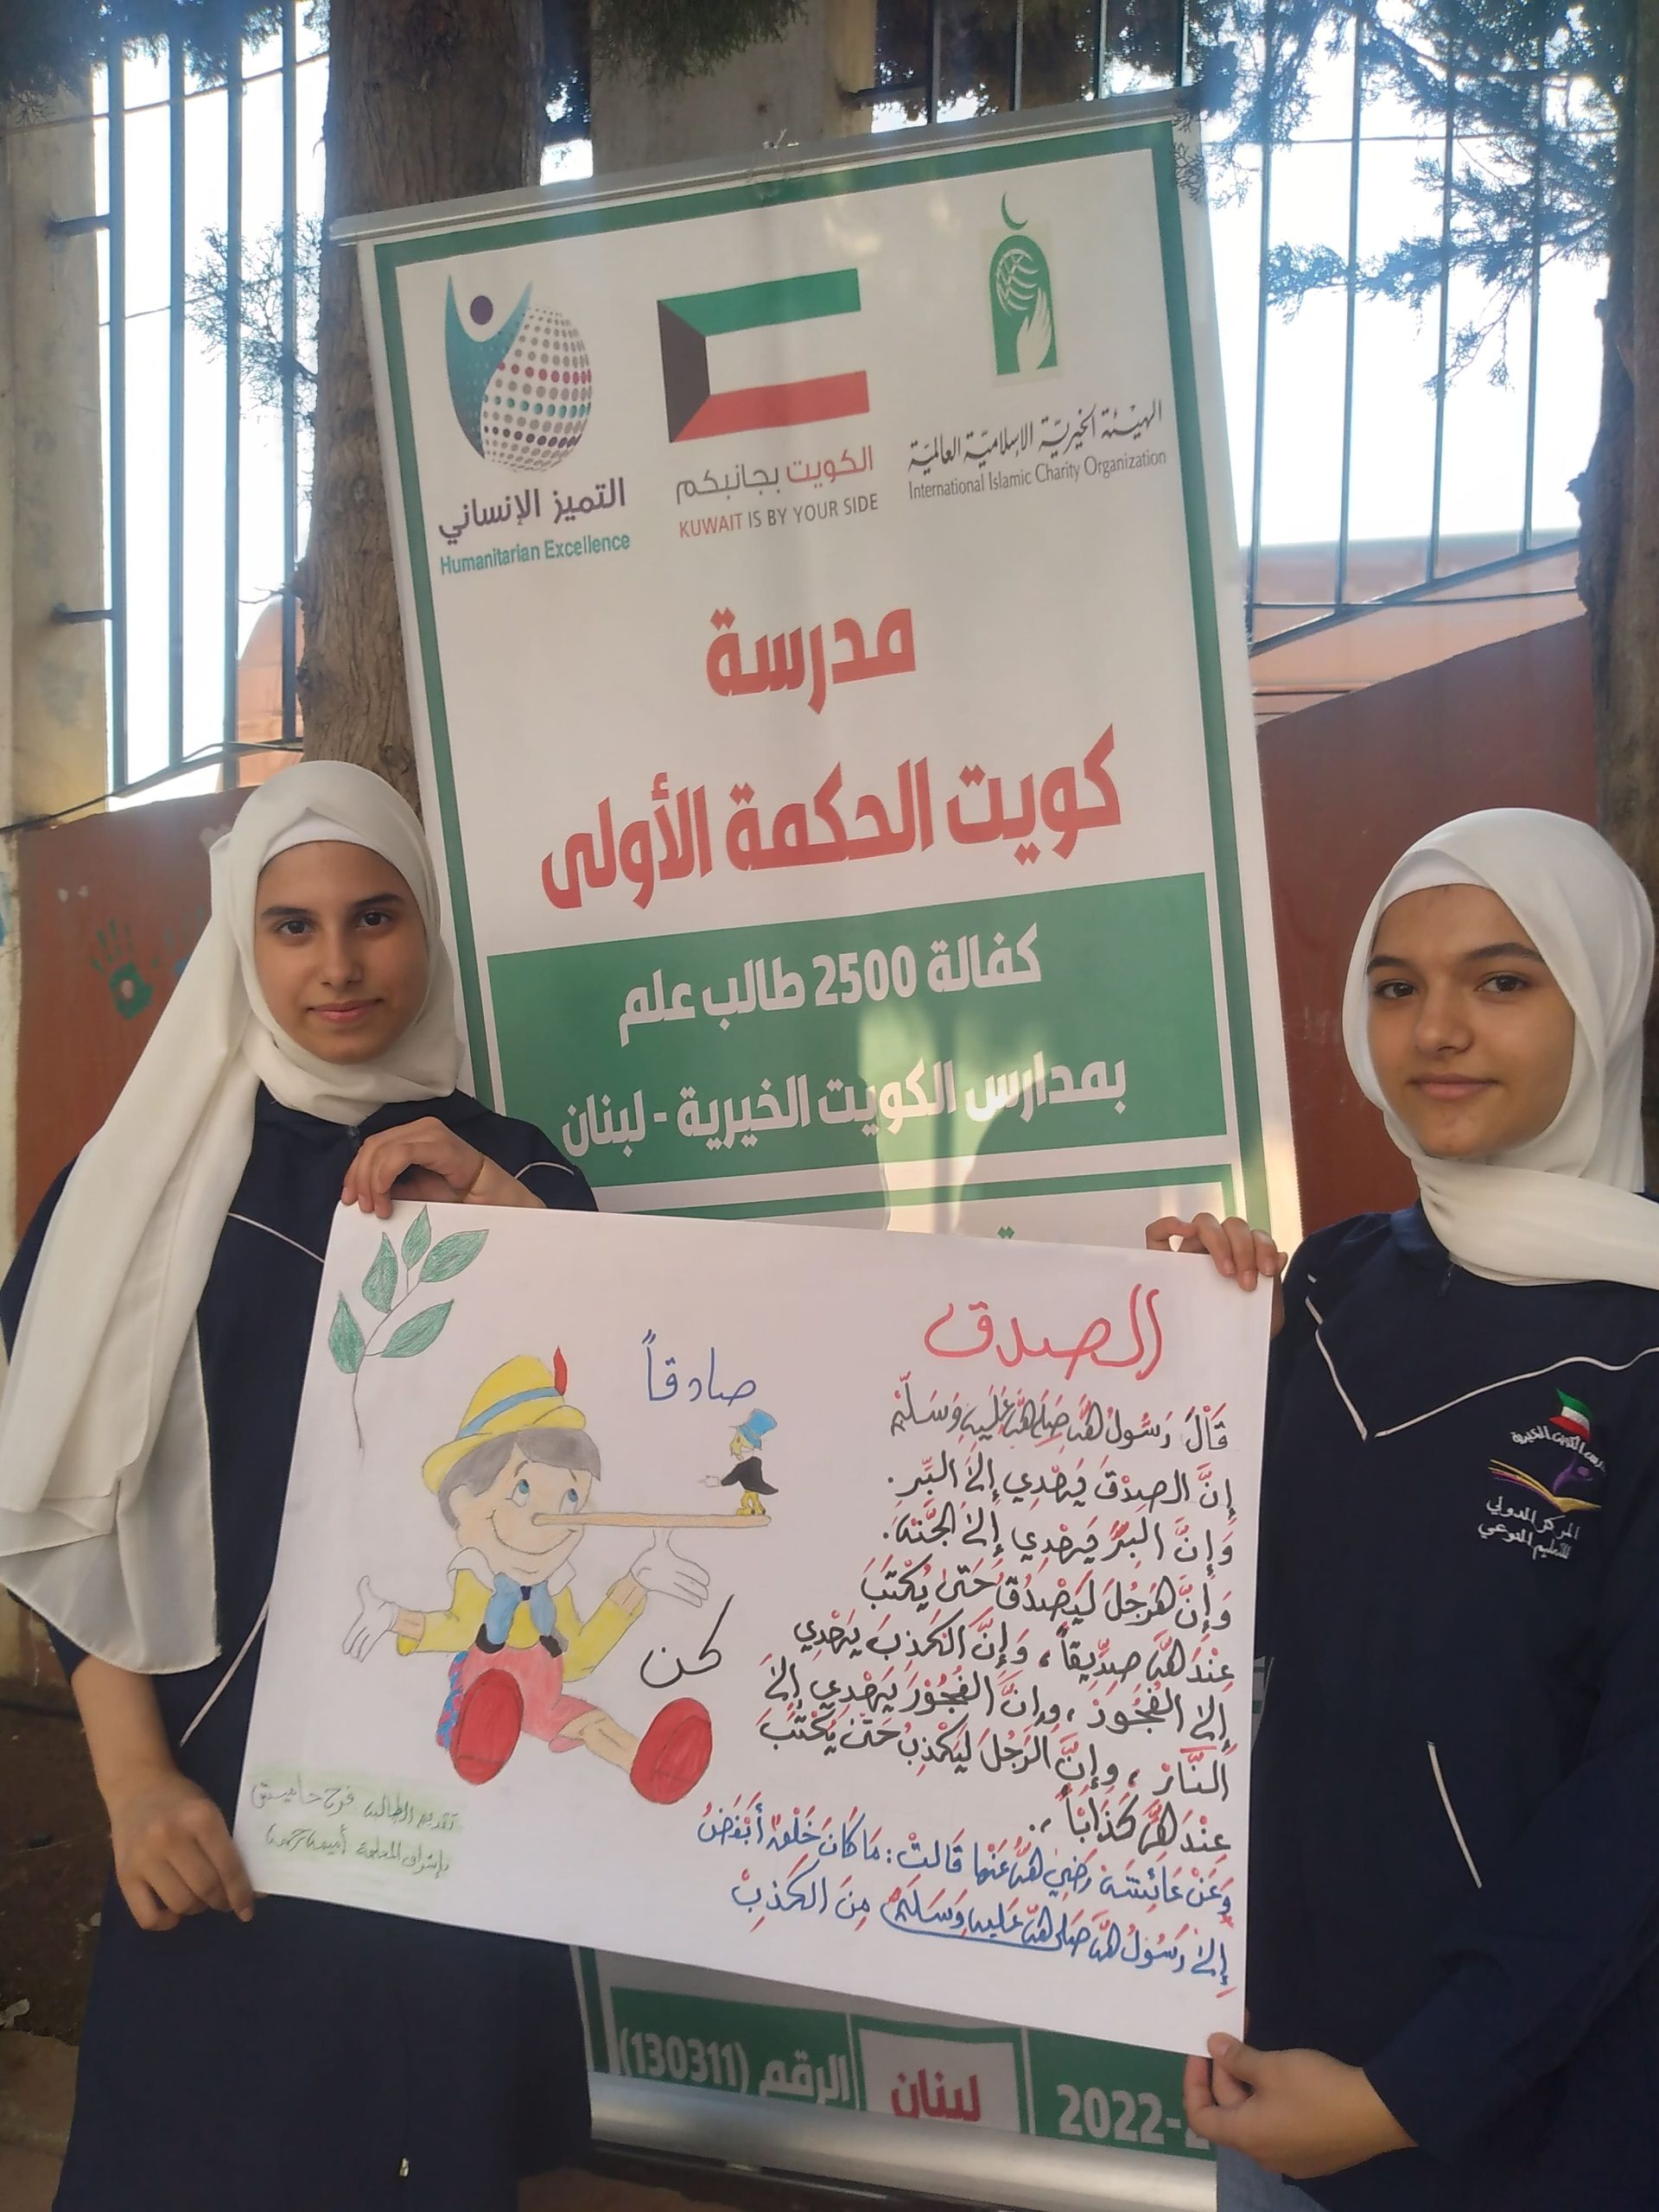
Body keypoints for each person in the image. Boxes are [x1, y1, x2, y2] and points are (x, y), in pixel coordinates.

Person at [0, 763, 598, 2212]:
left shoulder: (511, 1170)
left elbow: (617, 1431)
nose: (337, 963)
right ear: (240, 941)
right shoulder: (134, 1193)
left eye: (375, 916)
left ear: (427, 929)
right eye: (292, 925)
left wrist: (506, 1221)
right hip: (211, 1808)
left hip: (450, 1796)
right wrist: (134, 1781)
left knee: (432, 2157)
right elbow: (72, 1498)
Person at [1147, 810, 1659, 2211]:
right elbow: (1228, 1623)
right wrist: (1185, 1375)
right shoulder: (1326, 1288)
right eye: (1396, 984)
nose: (1437, 1029)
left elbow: (1636, 1801)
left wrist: (1405, 2096)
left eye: (1503, 980)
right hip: (1273, 2061)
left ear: (1605, 1001)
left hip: (1522, 2114)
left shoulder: (1643, 1344)